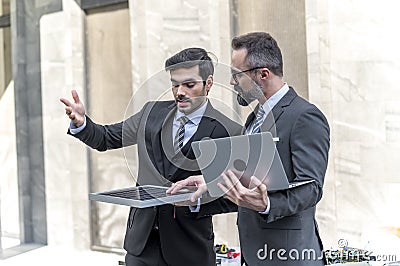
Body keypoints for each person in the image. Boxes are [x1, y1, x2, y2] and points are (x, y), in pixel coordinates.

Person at [60, 47, 241, 266]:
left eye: (189, 85)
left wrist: (195, 201)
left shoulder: (228, 130)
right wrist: (82, 124)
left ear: (209, 83)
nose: (180, 92)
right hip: (141, 244)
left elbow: (235, 195)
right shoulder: (150, 113)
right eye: (175, 84)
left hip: (189, 248)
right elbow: (106, 138)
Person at [169, 32, 330, 265]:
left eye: (236, 75)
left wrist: (267, 205)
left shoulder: (304, 116)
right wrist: (204, 190)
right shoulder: (254, 118)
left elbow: (311, 188)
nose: (232, 82)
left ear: (263, 74)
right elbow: (245, 190)